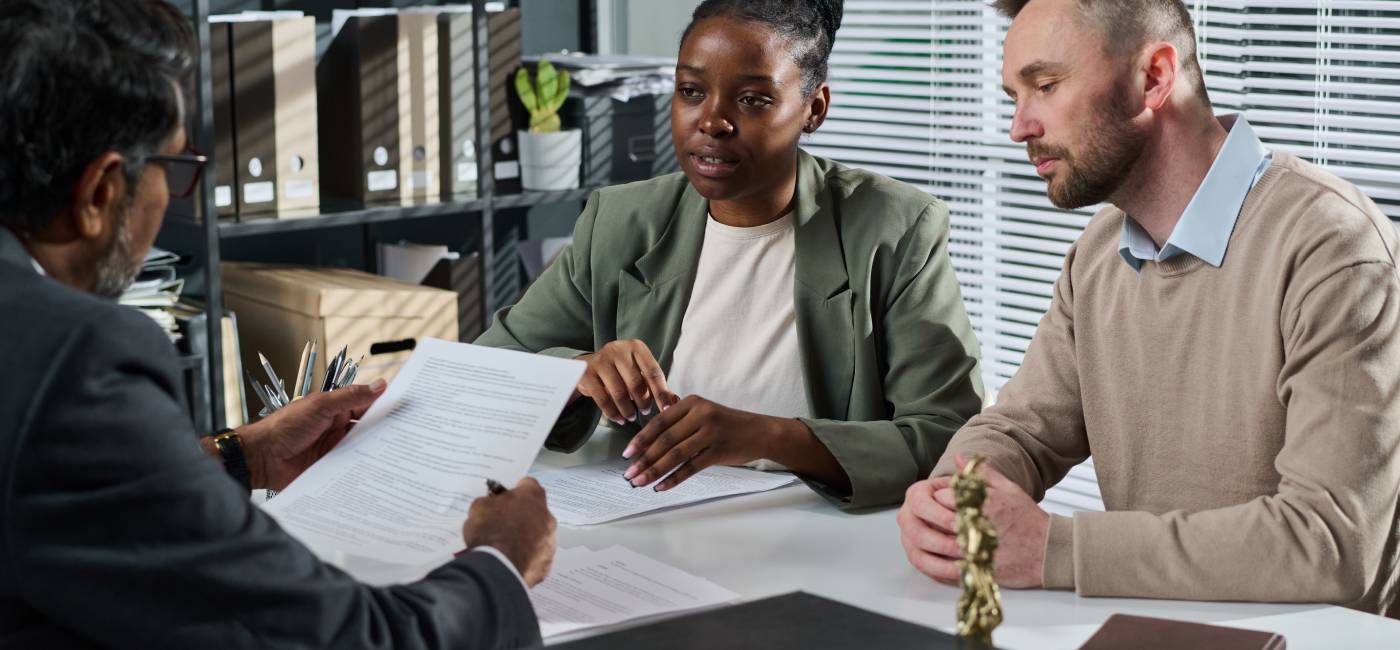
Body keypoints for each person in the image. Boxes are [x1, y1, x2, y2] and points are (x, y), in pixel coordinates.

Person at [0, 1, 556, 647]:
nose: (172, 196)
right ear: (100, 192)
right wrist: (500, 563)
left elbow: (56, 496)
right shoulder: (75, 358)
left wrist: (244, 456)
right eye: (175, 168)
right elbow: (335, 637)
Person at [897, 0, 1400, 617]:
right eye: (1013, 97)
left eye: (1045, 86)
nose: (1019, 127)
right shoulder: (1098, 253)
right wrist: (955, 497)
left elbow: (1328, 543)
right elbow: (1022, 431)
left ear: (1155, 78)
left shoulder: (1334, 248)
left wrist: (1053, 549)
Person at [476, 0, 984, 510]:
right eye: (691, 91)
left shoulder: (891, 228)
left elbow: (949, 437)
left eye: (754, 99)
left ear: (814, 109)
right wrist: (576, 372)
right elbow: (482, 373)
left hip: (817, 536)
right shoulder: (622, 220)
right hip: (648, 523)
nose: (713, 121)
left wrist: (767, 436)